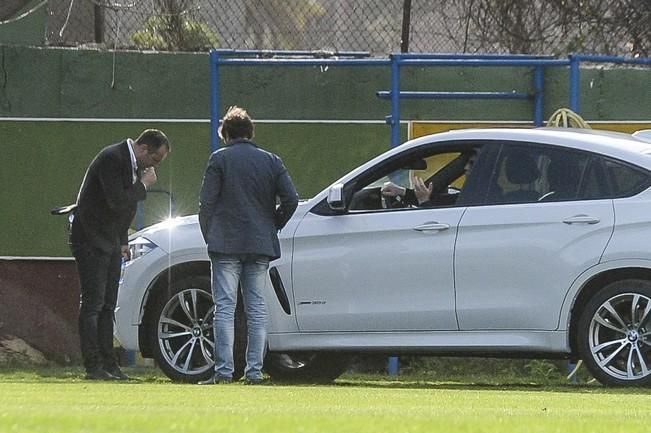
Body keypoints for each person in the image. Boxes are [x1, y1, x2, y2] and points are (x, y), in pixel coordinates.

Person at [198, 106, 298, 385]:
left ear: (226, 133)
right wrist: (272, 225)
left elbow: (206, 203)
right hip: (259, 243)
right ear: (250, 132)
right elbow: (291, 199)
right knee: (256, 308)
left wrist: (211, 234)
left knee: (225, 308)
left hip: (226, 243)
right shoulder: (271, 160)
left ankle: (223, 371)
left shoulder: (219, 159)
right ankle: (254, 371)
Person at [70, 129, 170, 380]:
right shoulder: (112, 159)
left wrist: (123, 240)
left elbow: (122, 208)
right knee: (93, 304)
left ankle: (110, 366)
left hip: (111, 241)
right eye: (155, 159)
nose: (154, 166)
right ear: (144, 148)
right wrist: (143, 186)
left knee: (107, 304)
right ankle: (93, 367)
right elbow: (117, 201)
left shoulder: (131, 163)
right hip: (90, 238)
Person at [381, 150, 476, 207]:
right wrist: (402, 192)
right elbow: (443, 202)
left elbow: (433, 225)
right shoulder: (477, 194)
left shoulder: (478, 199)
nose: (465, 168)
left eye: (472, 163)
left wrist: (424, 201)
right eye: (466, 163)